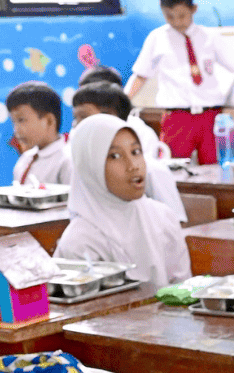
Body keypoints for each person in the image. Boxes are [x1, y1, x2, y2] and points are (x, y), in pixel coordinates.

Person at [127, 0, 234, 161]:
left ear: (193, 9)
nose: (176, 22)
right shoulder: (157, 38)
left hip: (211, 116)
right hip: (177, 118)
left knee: (217, 169)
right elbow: (141, 75)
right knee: (173, 169)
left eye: (182, 15)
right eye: (169, 16)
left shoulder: (209, 37)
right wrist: (124, 103)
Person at [56, 114, 192, 292]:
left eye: (136, 152)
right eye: (115, 156)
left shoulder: (163, 216)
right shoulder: (80, 241)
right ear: (90, 167)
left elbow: (183, 289)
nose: (132, 165)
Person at [72, 82, 181, 209]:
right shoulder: (84, 169)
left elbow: (175, 222)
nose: (76, 125)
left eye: (83, 117)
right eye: (75, 118)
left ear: (110, 116)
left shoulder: (153, 171)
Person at [6, 81, 70, 187]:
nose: (16, 130)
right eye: (14, 122)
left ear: (49, 121)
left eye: (21, 120)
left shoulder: (67, 161)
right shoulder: (25, 159)